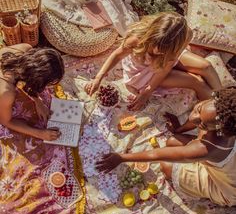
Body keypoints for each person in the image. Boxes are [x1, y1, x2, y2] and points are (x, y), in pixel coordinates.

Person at [96, 86, 236, 206]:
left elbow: (155, 155)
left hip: (224, 186)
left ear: (219, 130)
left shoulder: (206, 149)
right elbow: (198, 120)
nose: (193, 118)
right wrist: (179, 129)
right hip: (224, 163)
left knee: (165, 165)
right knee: (172, 141)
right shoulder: (220, 116)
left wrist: (120, 158)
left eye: (202, 124)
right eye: (198, 109)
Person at [85, 12, 221, 110]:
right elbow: (117, 55)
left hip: (163, 66)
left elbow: (166, 66)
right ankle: (221, 112)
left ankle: (225, 100)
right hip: (145, 75)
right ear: (152, 33)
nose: (158, 51)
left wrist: (170, 55)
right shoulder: (137, 39)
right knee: (196, 81)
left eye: (164, 49)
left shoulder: (181, 40)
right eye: (156, 45)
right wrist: (99, 77)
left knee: (206, 66)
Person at [0, 44, 64, 141]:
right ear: (35, 82)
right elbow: (6, 121)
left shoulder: (25, 48)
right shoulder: (6, 93)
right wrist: (39, 134)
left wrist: (38, 101)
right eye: (47, 84)